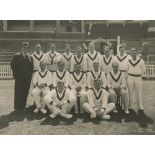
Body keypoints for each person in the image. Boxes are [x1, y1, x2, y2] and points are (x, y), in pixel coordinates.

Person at [127, 48, 151, 125]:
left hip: (138, 78)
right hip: (130, 77)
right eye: (132, 53)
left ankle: (140, 107)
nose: (133, 54)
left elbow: (143, 70)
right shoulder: (128, 60)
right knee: (130, 93)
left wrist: (142, 75)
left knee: (139, 93)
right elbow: (127, 69)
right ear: (130, 53)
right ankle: (131, 107)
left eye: (134, 53)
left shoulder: (141, 61)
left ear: (137, 53)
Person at [11, 41, 33, 112]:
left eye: (26, 48)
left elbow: (31, 67)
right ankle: (17, 107)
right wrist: (16, 75)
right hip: (19, 78)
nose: (25, 49)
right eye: (24, 48)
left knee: (25, 91)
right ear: (21, 48)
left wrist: (29, 75)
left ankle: (23, 106)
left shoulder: (30, 57)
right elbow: (12, 66)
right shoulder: (16, 56)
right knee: (18, 91)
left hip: (27, 78)